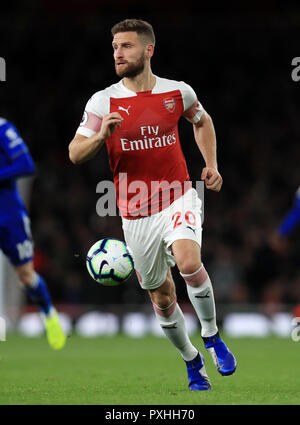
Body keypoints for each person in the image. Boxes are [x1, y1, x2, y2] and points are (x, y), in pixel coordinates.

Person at [69, 18, 236, 390]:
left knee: (190, 262)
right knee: (162, 295)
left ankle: (211, 336)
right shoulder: (103, 101)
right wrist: (100, 136)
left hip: (178, 195)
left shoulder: (178, 93)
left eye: (126, 46)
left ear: (148, 50)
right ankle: (193, 361)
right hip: (135, 212)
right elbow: (75, 153)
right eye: (114, 47)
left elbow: (202, 121)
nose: (118, 53)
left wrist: (211, 166)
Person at [0, 117, 66, 350]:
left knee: (26, 276)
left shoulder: (2, 128)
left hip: (8, 215)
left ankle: (49, 314)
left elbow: (27, 165)